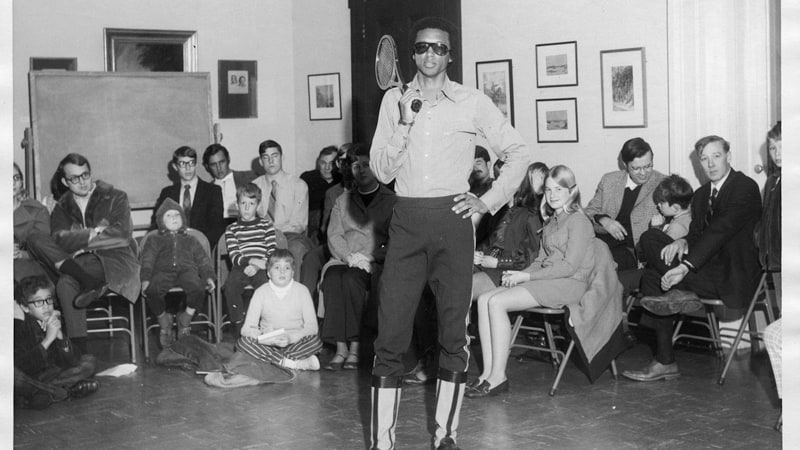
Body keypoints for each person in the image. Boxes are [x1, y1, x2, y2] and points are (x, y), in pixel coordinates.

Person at [368, 17, 531, 450]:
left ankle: (447, 437)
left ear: (450, 55)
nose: (430, 56)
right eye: (422, 48)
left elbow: (517, 154)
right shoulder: (393, 103)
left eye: (439, 49)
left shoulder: (473, 101)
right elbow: (380, 171)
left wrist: (487, 200)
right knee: (390, 337)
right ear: (412, 54)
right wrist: (404, 122)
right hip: (405, 223)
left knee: (452, 336)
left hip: (453, 224)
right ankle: (382, 443)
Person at [622, 135, 762, 382]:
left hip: (731, 272)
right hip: (704, 269)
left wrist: (685, 266)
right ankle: (666, 361)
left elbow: (721, 230)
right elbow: (697, 234)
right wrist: (682, 242)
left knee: (655, 277)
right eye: (704, 159)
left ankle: (678, 300)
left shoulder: (745, 187)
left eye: (716, 156)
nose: (710, 164)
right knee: (650, 241)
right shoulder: (700, 194)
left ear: (728, 157)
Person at [466, 165, 593, 398]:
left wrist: (528, 276)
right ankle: (487, 373)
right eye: (548, 190)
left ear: (572, 191)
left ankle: (499, 376)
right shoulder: (553, 220)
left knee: (496, 303)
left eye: (558, 189)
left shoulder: (578, 221)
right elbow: (541, 260)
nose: (552, 195)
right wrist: (518, 273)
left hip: (569, 283)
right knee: (484, 299)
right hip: (548, 280)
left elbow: (569, 267)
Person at [26, 153, 140, 342]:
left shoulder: (116, 196)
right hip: (77, 264)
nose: (82, 182)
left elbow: (121, 235)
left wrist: (82, 243)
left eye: (85, 175)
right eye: (74, 178)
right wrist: (94, 231)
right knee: (36, 240)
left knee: (65, 279)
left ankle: (78, 351)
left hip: (111, 261)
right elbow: (59, 239)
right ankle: (81, 357)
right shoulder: (62, 206)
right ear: (64, 181)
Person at [320, 146, 395, 371]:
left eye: (366, 165)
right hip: (344, 258)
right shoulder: (342, 201)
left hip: (375, 262)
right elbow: (333, 234)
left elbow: (394, 239)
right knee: (332, 278)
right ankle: (340, 348)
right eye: (355, 165)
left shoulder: (391, 200)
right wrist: (349, 256)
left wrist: (370, 257)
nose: (361, 170)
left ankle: (355, 348)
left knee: (352, 281)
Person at [14, 275, 99, 409]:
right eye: (38, 302)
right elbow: (23, 366)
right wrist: (47, 340)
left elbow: (73, 360)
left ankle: (38, 395)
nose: (46, 307)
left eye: (48, 300)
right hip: (27, 376)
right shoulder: (19, 327)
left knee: (89, 361)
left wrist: (59, 336)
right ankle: (65, 393)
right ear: (25, 308)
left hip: (46, 377)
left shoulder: (51, 321)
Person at [140, 198, 216, 347]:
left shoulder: (191, 240)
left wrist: (208, 276)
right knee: (152, 290)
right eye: (169, 215)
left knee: (198, 288)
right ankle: (164, 321)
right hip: (162, 271)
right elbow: (147, 261)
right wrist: (145, 279)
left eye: (177, 214)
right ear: (161, 220)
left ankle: (185, 318)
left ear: (183, 218)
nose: (174, 218)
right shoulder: (153, 239)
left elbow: (203, 260)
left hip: (187, 271)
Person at [584, 137, 665, 271]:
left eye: (648, 166)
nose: (643, 173)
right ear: (624, 164)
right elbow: (588, 212)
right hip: (601, 242)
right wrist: (604, 220)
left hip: (632, 251)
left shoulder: (662, 183)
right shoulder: (609, 180)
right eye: (636, 168)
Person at [235, 249, 323, 371]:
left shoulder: (302, 291)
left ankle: (274, 360)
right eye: (276, 267)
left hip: (295, 342)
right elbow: (247, 329)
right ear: (269, 273)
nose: (282, 271)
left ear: (292, 272)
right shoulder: (261, 292)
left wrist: (291, 338)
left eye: (287, 268)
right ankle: (293, 364)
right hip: (268, 344)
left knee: (315, 341)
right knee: (242, 344)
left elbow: (312, 327)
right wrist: (265, 336)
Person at [472, 162, 547, 297]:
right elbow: (490, 241)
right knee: (449, 278)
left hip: (507, 270)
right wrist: (478, 254)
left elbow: (531, 257)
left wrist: (498, 262)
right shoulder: (501, 211)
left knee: (461, 290)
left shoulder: (532, 215)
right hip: (487, 262)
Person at [252, 139, 313, 282]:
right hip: (262, 238)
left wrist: (275, 234)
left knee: (296, 250)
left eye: (275, 156)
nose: (271, 161)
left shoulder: (298, 185)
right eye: (266, 157)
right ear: (261, 161)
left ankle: (293, 299)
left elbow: (299, 224)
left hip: (290, 236)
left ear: (282, 157)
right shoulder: (254, 186)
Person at [223, 183, 278, 337]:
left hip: (263, 267)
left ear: (258, 205)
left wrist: (260, 265)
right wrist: (252, 261)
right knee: (230, 287)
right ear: (237, 204)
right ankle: (240, 328)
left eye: (251, 204)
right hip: (241, 266)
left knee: (265, 287)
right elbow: (235, 255)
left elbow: (272, 251)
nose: (247, 208)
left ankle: (264, 326)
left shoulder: (266, 225)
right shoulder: (232, 229)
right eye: (243, 203)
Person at [152, 146, 226, 250]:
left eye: (191, 163)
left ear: (195, 164)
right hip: (172, 250)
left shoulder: (213, 191)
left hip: (201, 249)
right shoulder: (167, 193)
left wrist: (194, 247)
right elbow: (157, 225)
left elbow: (216, 228)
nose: (188, 168)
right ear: (175, 167)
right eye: (182, 164)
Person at [637, 174, 694, 271]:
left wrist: (655, 230)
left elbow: (658, 256)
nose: (658, 205)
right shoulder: (688, 217)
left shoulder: (677, 226)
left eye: (662, 203)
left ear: (676, 208)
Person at [13, 162, 51, 281]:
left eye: (16, 178)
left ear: (22, 182)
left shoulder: (37, 210)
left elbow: (45, 250)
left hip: (28, 268)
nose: (13, 183)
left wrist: (20, 254)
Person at [202, 143, 256, 225]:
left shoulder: (249, 177)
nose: (219, 168)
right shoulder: (206, 190)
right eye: (213, 165)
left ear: (228, 159)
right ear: (207, 167)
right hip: (219, 228)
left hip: (244, 224)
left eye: (221, 162)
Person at [300, 145, 342, 245]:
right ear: (318, 162)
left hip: (336, 221)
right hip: (313, 222)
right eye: (323, 163)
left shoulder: (342, 179)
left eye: (331, 163)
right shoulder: (308, 178)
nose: (327, 168)